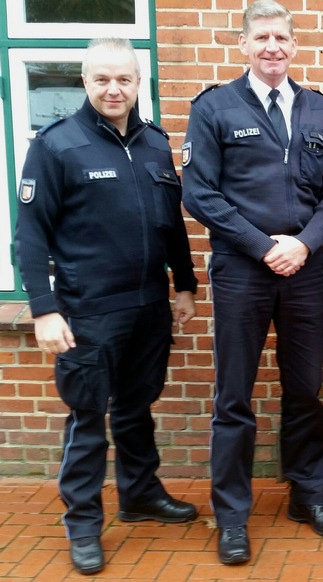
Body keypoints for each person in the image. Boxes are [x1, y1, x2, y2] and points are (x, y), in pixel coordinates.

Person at [14, 38, 199, 575]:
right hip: (87, 312)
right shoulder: (57, 146)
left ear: (139, 82)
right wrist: (44, 308)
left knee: (137, 409)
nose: (113, 89)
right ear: (86, 81)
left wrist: (183, 285)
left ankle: (140, 495)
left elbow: (171, 227)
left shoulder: (155, 145)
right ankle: (83, 524)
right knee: (88, 418)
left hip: (148, 306)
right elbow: (31, 234)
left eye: (123, 79)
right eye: (101, 80)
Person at [181, 0, 323, 565]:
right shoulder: (214, 108)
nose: (272, 47)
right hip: (242, 272)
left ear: (294, 45)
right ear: (244, 45)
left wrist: (302, 244)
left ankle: (306, 494)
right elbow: (200, 194)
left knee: (304, 389)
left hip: (303, 271)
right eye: (262, 38)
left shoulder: (318, 110)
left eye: (282, 37)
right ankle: (232, 516)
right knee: (234, 399)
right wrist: (263, 245)